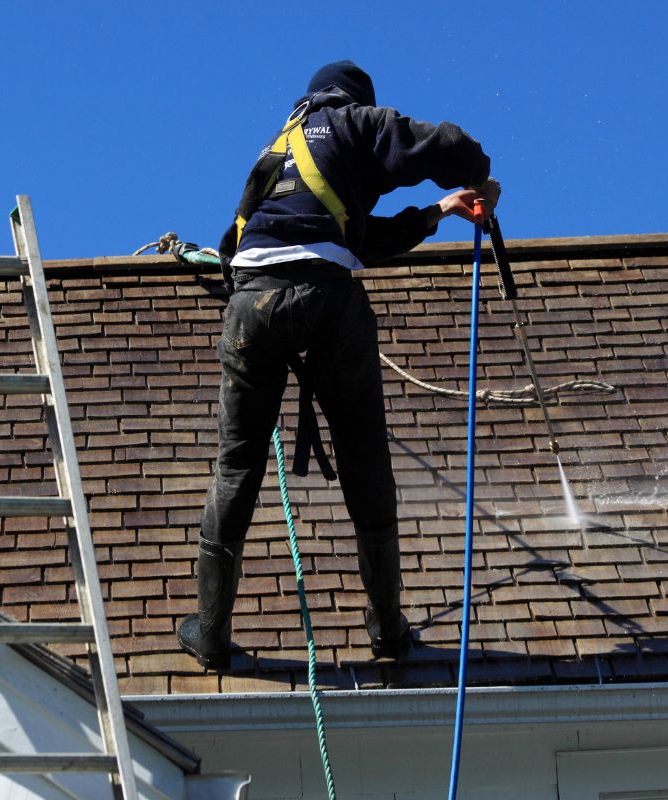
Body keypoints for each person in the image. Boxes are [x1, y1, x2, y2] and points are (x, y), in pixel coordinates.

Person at [178, 60, 500, 670]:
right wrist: (481, 178)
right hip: (328, 300)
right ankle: (387, 628)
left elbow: (326, 240)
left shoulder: (276, 153)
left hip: (251, 305)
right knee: (364, 460)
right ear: (353, 98)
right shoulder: (354, 122)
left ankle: (212, 632)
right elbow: (447, 145)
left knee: (237, 464)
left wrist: (440, 212)